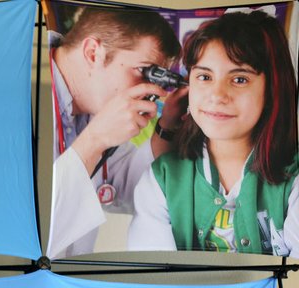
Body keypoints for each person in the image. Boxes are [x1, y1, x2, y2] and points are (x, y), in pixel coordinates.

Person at [128, 10, 298, 257]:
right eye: (204, 76)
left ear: (272, 89)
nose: (217, 95)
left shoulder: (294, 179)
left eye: (239, 79)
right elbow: (155, 283)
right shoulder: (161, 180)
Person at [46, 5, 183, 258]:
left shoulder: (92, 104)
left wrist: (168, 128)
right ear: (92, 52)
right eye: (144, 71)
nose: (150, 89)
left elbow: (131, 188)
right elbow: (37, 227)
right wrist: (94, 139)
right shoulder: (24, 95)